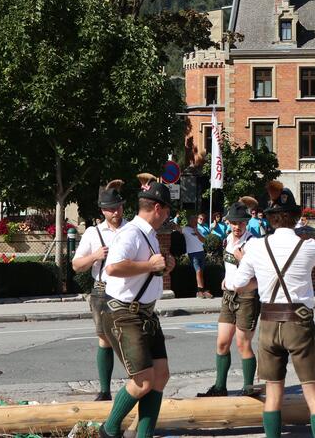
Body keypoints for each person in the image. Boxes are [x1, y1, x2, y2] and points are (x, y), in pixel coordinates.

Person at [226, 188, 315, 438]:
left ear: (270, 218)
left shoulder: (256, 246)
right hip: (299, 322)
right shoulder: (307, 245)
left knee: (273, 391)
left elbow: (238, 285)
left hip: (268, 321)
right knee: (313, 391)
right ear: (295, 217)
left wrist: (263, 282)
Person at [98, 174, 177, 438]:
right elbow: (113, 267)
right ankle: (108, 431)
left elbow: (147, 268)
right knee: (143, 381)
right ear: (157, 208)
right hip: (124, 314)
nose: (167, 216)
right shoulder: (130, 233)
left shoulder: (149, 235)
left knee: (161, 375)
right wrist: (150, 266)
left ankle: (143, 435)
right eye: (166, 210)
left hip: (145, 313)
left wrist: (163, 266)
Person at [199, 196, 262, 397]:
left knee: (243, 343)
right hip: (228, 297)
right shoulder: (227, 240)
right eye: (234, 222)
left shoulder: (253, 243)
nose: (237, 226)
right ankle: (220, 386)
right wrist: (226, 280)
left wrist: (242, 259)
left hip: (247, 298)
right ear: (228, 222)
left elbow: (260, 274)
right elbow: (229, 267)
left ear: (246, 222)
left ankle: (248, 388)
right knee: (222, 342)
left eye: (241, 222)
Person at [71, 180, 128, 401]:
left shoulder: (132, 229)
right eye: (111, 209)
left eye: (118, 207)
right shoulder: (93, 233)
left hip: (127, 289)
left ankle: (138, 385)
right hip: (103, 290)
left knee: (129, 339)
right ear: (103, 210)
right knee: (104, 339)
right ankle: (104, 390)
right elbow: (76, 265)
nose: (115, 212)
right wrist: (95, 256)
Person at [182, 215, 211, 298]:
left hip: (201, 252)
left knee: (201, 272)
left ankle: (202, 290)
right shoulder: (185, 229)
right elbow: (177, 228)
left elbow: (204, 240)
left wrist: (197, 232)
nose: (195, 222)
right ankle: (200, 291)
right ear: (190, 221)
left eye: (195, 220)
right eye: (194, 220)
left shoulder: (199, 230)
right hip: (193, 253)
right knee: (198, 271)